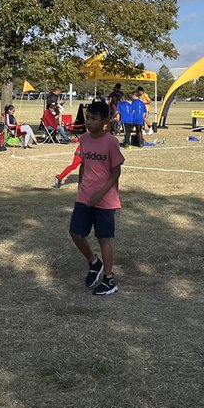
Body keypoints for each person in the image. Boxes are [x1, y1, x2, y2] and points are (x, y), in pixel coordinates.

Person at [69, 100, 125, 296]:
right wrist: (80, 186)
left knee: (104, 238)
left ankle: (109, 280)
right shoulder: (84, 139)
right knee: (76, 233)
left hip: (105, 199)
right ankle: (94, 262)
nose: (89, 122)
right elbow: (83, 164)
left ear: (105, 121)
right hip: (85, 196)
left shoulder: (111, 142)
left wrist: (101, 193)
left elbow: (116, 172)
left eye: (93, 119)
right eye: (87, 118)